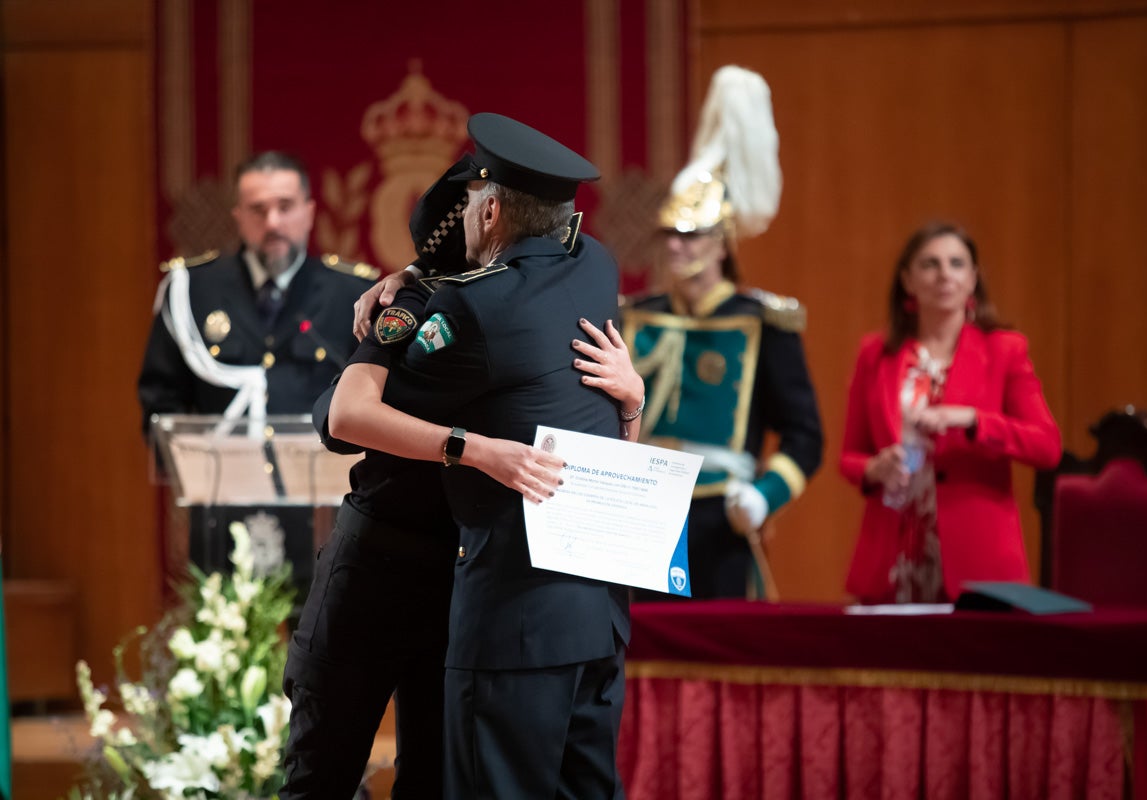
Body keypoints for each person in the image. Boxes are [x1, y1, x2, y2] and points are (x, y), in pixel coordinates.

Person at [280, 155, 643, 799]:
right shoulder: (419, 304)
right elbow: (338, 420)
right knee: (322, 774)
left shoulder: (532, 290)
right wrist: (468, 444)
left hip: (461, 580)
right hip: (378, 567)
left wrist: (632, 397)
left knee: (433, 781)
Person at [622, 66, 824, 599]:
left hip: (719, 516)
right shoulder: (632, 314)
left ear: (722, 241)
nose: (674, 248)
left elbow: (805, 436)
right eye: (670, 235)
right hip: (637, 508)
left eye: (690, 236)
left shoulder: (763, 322)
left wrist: (764, 496)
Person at [136, 151, 377, 588]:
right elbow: (160, 396)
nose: (273, 223)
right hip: (223, 517)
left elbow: (375, 401)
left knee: (320, 648)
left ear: (309, 212)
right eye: (258, 209)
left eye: (285, 207)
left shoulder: (354, 295)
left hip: (325, 519)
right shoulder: (192, 291)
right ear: (238, 216)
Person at [839, 221, 1062, 604]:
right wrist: (873, 468)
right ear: (908, 281)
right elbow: (849, 456)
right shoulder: (876, 353)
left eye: (957, 263)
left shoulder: (1005, 350)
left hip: (977, 557)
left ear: (973, 279)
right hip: (894, 552)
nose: (944, 274)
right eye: (930, 264)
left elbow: (1047, 446)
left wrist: (974, 421)